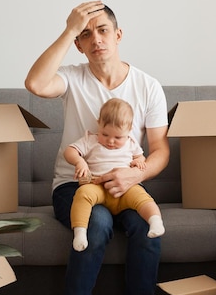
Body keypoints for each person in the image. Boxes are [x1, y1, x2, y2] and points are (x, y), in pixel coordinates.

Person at [24, 0, 170, 295]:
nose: (96, 39)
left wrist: (137, 175)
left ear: (118, 35)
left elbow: (160, 149)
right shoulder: (73, 78)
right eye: (86, 34)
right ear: (78, 44)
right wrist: (69, 28)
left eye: (103, 30)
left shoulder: (148, 86)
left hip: (126, 186)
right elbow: (34, 83)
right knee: (98, 221)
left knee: (146, 228)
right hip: (76, 186)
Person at [64, 98, 165, 252]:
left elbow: (139, 157)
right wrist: (80, 162)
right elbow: (69, 151)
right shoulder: (90, 140)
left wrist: (138, 163)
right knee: (82, 194)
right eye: (105, 134)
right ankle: (80, 233)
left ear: (129, 129)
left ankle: (155, 221)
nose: (110, 141)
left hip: (125, 189)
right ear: (99, 124)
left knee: (143, 197)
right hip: (97, 186)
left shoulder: (131, 143)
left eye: (118, 137)